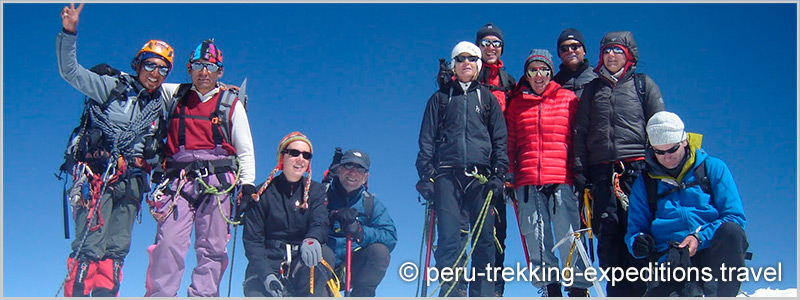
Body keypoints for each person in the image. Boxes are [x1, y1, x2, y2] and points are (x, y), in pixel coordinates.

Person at [57, 3, 174, 296]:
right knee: (90, 244)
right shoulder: (110, 87)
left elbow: (196, 91)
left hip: (133, 180)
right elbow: (70, 71)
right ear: (138, 64)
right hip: (98, 175)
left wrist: (226, 90)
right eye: (150, 64)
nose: (155, 73)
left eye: (163, 68)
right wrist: (68, 33)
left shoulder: (162, 105)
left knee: (118, 248)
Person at [144, 39, 256, 297]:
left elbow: (245, 149)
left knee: (213, 247)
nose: (203, 72)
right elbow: (146, 81)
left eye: (210, 66)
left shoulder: (231, 104)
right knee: (168, 243)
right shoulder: (174, 94)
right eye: (197, 65)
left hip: (218, 183)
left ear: (220, 71)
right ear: (189, 68)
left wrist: (247, 186)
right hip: (178, 181)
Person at [572, 30, 665, 297]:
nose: (612, 55)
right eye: (607, 50)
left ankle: (644, 290)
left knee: (637, 231)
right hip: (602, 172)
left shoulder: (642, 84)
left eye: (618, 50)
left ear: (629, 55)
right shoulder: (593, 89)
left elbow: (658, 125)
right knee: (608, 233)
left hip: (637, 170)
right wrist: (580, 168)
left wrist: (656, 166)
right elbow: (581, 130)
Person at [415, 41, 509, 297]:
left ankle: (482, 294)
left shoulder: (488, 99)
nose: (466, 62)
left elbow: (500, 139)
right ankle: (452, 293)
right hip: (446, 175)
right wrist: (425, 175)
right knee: (448, 240)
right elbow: (426, 138)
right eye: (460, 58)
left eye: (471, 59)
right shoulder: (440, 99)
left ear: (478, 66)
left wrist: (499, 172)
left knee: (484, 241)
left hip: (480, 177)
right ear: (454, 65)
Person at [626, 112, 748, 297]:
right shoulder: (645, 182)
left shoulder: (712, 167)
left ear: (684, 141)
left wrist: (698, 238)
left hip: (712, 254)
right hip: (670, 260)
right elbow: (635, 230)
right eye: (659, 152)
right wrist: (638, 242)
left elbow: (735, 217)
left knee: (731, 232)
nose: (667, 157)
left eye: (672, 149)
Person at [505, 49, 591, 297]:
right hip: (528, 181)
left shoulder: (567, 99)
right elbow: (510, 142)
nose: (538, 75)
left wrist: (580, 170)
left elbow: (578, 138)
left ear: (551, 72)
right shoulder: (517, 104)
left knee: (569, 235)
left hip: (561, 178)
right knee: (536, 237)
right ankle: (549, 288)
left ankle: (578, 288)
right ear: (527, 74)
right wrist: (510, 173)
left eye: (543, 69)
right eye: (533, 70)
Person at [242, 132, 335, 297]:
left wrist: (312, 238)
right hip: (268, 263)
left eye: (306, 155)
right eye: (294, 153)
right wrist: (266, 275)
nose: (301, 159)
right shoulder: (261, 194)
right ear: (282, 157)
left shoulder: (316, 192)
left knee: (324, 253)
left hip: (302, 261)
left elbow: (319, 222)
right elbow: (252, 241)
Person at [474, 23, 516, 296]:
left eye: (496, 43)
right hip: (467, 165)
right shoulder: (464, 76)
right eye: (486, 42)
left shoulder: (509, 82)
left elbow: (515, 128)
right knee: (463, 233)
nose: (491, 47)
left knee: (496, 233)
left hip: (498, 168)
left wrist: (510, 170)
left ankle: (494, 291)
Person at [326, 149, 397, 296]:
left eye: (360, 169)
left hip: (352, 268)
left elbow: (390, 236)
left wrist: (360, 230)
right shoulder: (320, 195)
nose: (353, 173)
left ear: (365, 177)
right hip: (321, 264)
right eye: (348, 166)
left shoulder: (370, 203)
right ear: (338, 170)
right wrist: (331, 215)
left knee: (379, 253)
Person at [552, 28, 598, 99]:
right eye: (564, 49)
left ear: (584, 51)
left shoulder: (598, 78)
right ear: (559, 54)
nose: (570, 51)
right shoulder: (553, 84)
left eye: (575, 47)